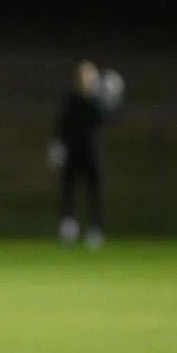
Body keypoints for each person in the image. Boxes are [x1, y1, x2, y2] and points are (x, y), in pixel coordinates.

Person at [50, 59, 124, 249]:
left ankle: (94, 228)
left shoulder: (96, 101)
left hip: (91, 151)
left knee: (94, 191)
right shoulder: (71, 100)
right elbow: (62, 124)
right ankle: (68, 226)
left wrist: (114, 98)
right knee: (69, 189)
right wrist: (57, 145)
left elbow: (111, 118)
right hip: (72, 151)